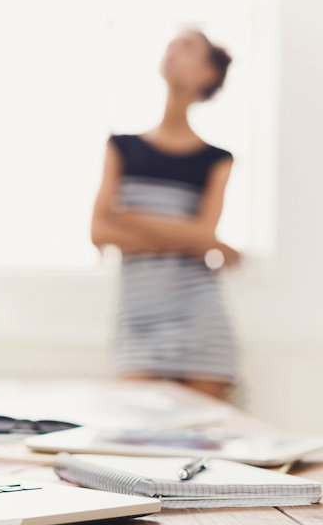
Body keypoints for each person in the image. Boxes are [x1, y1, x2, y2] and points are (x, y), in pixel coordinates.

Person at [90, 30, 239, 400]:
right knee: (130, 434)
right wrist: (196, 237)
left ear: (208, 73)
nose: (173, 50)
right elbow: (99, 231)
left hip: (200, 318)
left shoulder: (216, 159)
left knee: (209, 438)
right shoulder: (121, 147)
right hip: (138, 315)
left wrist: (126, 215)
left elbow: (201, 237)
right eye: (171, 44)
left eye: (187, 46)